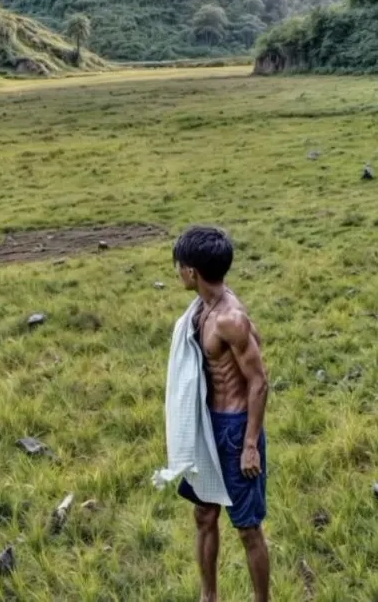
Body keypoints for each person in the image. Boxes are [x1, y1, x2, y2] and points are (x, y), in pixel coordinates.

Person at [173, 225, 269, 602]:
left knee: (248, 529)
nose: (178, 272)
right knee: (204, 516)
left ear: (192, 272)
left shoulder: (230, 318)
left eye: (179, 266)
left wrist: (250, 445)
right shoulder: (201, 309)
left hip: (233, 429)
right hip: (206, 427)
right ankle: (208, 597)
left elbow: (259, 382)